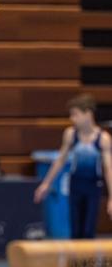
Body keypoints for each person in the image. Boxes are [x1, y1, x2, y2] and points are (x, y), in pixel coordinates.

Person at [34, 94, 112, 238]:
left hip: (93, 186)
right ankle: (75, 261)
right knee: (75, 230)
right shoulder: (70, 134)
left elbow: (108, 169)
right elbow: (60, 160)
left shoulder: (103, 139)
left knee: (88, 230)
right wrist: (46, 183)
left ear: (88, 114)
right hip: (75, 185)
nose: (72, 119)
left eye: (75, 115)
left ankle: (87, 260)